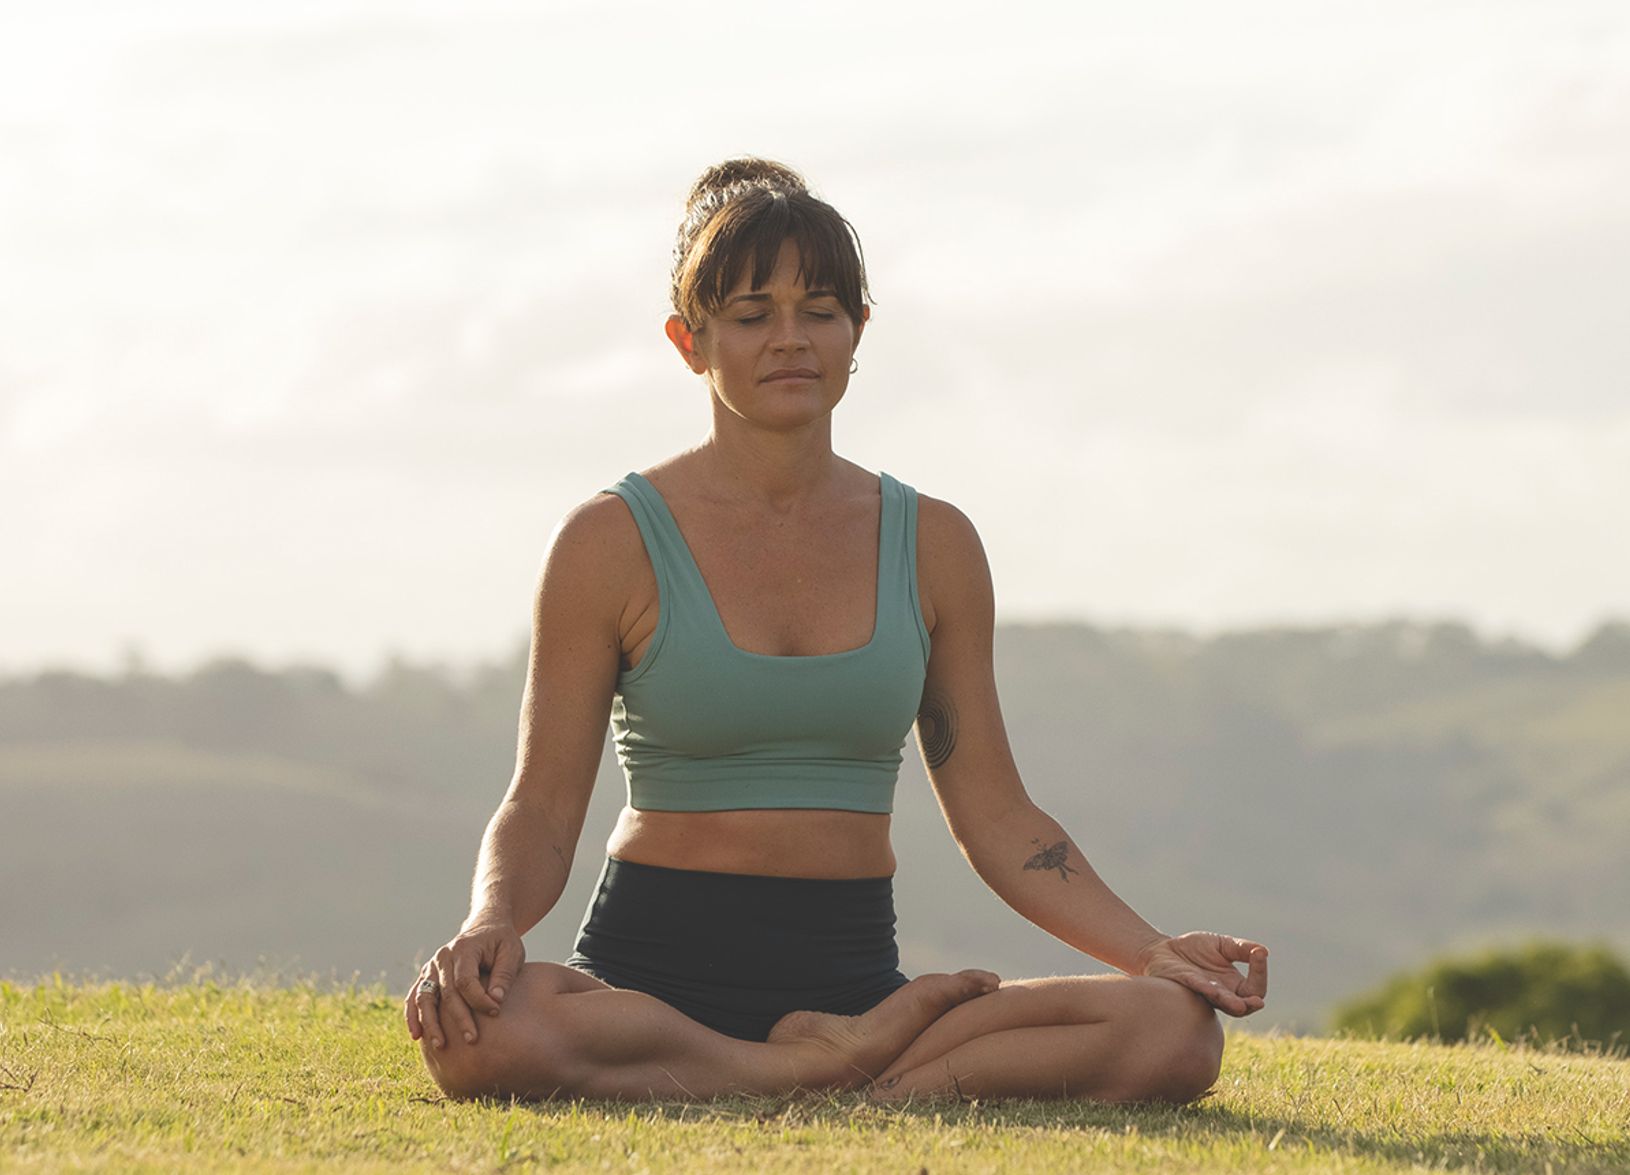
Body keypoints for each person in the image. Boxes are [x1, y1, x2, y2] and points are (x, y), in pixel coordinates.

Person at [404, 158, 1270, 1103]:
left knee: (1172, 1031)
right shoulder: (608, 541)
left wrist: (1151, 951)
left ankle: (809, 1070)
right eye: (750, 316)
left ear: (858, 332)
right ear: (690, 343)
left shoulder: (933, 542)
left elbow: (995, 812)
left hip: (852, 979)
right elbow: (541, 803)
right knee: (482, 1041)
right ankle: (825, 1076)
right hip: (649, 982)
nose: (791, 340)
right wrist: (492, 919)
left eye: (821, 310)